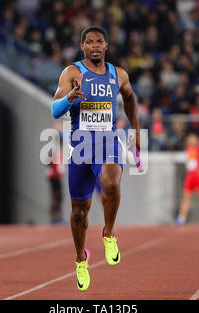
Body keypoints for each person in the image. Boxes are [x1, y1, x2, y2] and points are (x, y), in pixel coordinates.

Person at [51, 26, 140, 291]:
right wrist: (69, 98)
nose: (95, 46)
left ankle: (109, 234)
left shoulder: (118, 74)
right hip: (80, 146)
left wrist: (137, 132)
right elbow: (55, 110)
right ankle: (80, 259)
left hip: (107, 142)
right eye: (89, 42)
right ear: (82, 47)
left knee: (112, 185)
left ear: (107, 45)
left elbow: (130, 99)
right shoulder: (72, 73)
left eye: (99, 41)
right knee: (79, 212)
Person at [175, 132, 199, 226]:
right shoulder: (188, 149)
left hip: (198, 175)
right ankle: (182, 218)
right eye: (189, 138)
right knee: (186, 196)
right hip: (190, 176)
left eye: (193, 138)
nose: (190, 140)